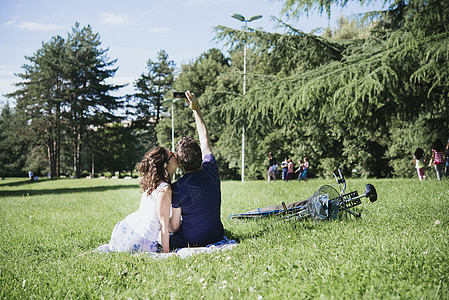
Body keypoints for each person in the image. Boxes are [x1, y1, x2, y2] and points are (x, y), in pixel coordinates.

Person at [95, 146, 180, 254]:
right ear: (166, 165)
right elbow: (164, 224)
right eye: (172, 154)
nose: (176, 155)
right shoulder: (164, 189)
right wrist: (166, 253)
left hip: (122, 230)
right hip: (140, 239)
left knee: (110, 251)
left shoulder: (152, 183)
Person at [169, 91, 224, 249]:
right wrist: (196, 109)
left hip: (190, 242)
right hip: (216, 235)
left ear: (180, 162)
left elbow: (174, 227)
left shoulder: (177, 187)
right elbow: (204, 137)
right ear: (200, 154)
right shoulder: (211, 168)